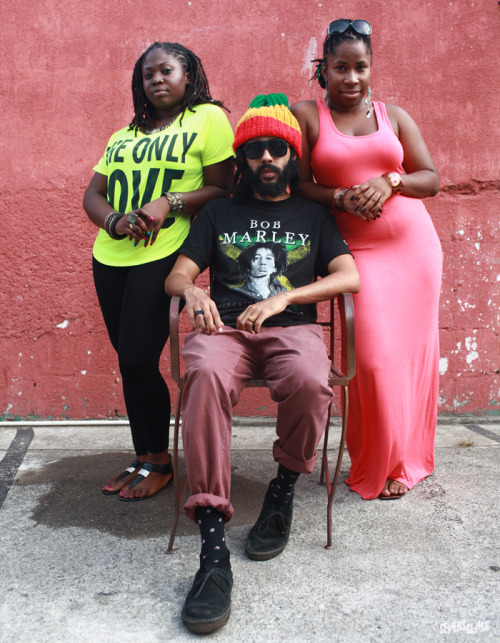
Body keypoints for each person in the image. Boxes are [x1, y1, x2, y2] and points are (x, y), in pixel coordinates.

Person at [164, 93, 360, 634]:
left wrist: (282, 299)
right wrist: (194, 294)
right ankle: (211, 548)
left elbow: (349, 277)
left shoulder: (313, 214)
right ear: (242, 159)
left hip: (291, 326)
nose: (267, 159)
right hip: (224, 329)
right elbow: (177, 277)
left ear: (292, 156)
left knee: (308, 377)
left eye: (278, 148)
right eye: (255, 151)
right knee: (203, 374)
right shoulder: (220, 212)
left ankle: (282, 488)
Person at [291, 19, 443, 500]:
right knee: (372, 360)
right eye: (341, 67)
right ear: (324, 70)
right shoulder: (308, 115)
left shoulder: (392, 115)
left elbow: (430, 178)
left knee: (410, 357)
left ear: (370, 68)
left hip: (414, 249)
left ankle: (404, 461)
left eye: (361, 67)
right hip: (358, 254)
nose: (351, 78)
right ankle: (374, 460)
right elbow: (296, 185)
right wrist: (338, 196)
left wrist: (391, 180)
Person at [83, 42, 234, 501]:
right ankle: (143, 454)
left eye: (167, 70)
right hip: (111, 256)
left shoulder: (207, 118)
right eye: (148, 74)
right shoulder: (124, 135)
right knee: (131, 364)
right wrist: (114, 219)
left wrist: (169, 202)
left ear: (188, 76)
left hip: (163, 251)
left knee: (136, 358)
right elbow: (93, 195)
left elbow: (223, 188)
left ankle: (161, 463)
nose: (156, 80)